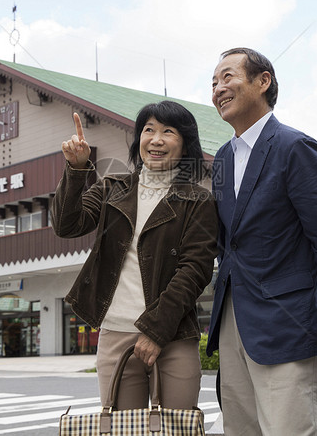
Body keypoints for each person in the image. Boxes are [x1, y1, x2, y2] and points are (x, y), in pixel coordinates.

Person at [206, 47, 317, 435]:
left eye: (228, 77)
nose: (218, 89)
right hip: (233, 321)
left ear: (263, 81)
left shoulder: (295, 147)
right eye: (213, 83)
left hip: (287, 324)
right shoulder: (223, 158)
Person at [51, 101, 218, 410]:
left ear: (185, 144)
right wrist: (76, 171)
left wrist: (155, 331)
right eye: (148, 129)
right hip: (115, 332)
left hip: (174, 336)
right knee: (123, 429)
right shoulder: (112, 187)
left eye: (168, 131)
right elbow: (66, 225)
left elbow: (194, 270)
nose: (155, 139)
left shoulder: (198, 200)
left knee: (177, 430)